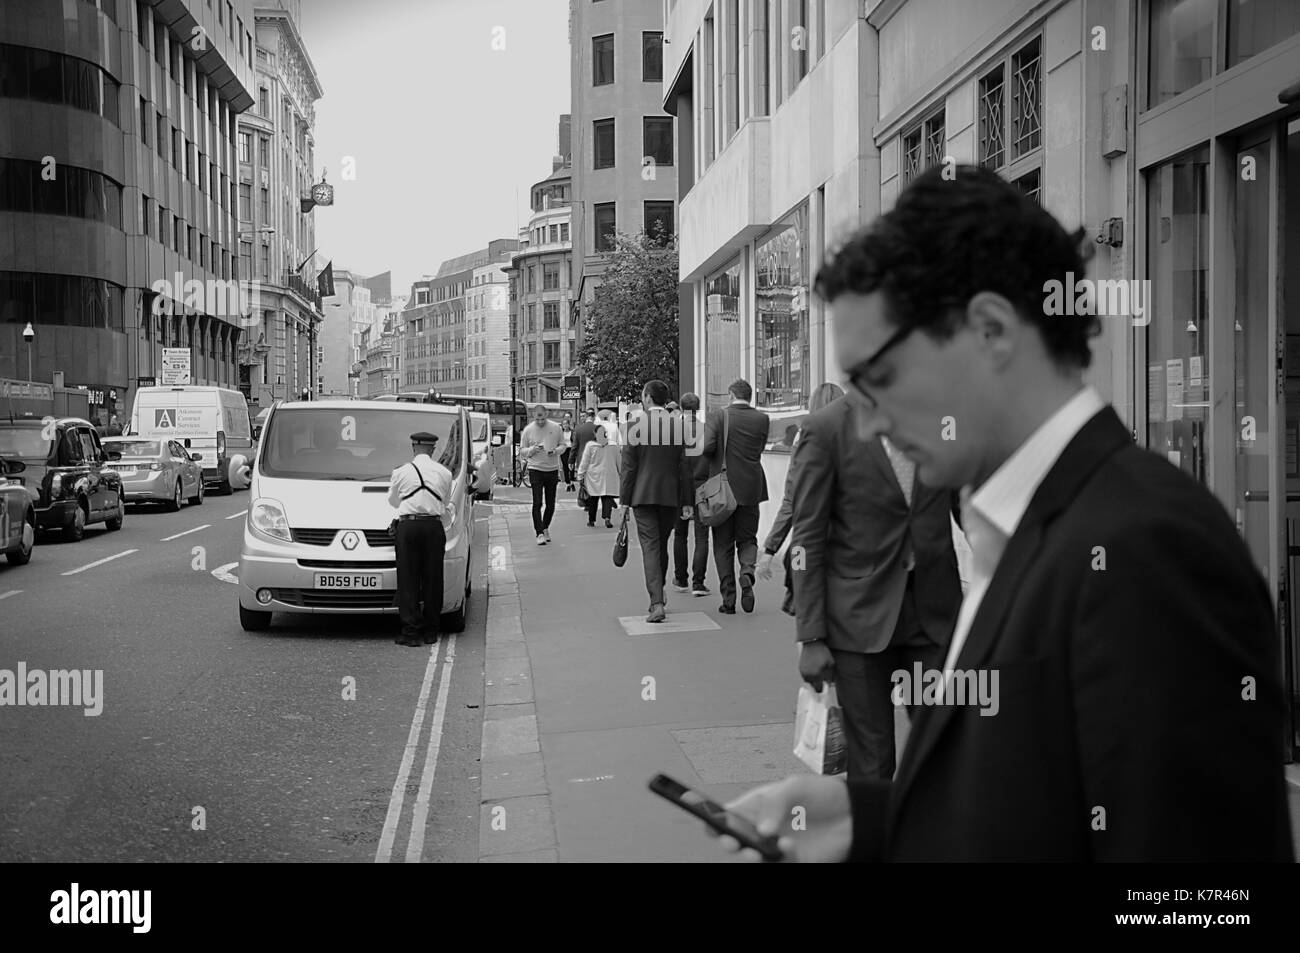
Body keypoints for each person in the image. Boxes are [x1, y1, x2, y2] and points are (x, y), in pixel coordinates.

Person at [716, 165, 1293, 862]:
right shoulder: (1019, 526)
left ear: (991, 329)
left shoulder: (1146, 551)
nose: (864, 423)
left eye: (880, 378)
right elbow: (1029, 803)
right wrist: (868, 818)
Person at [788, 392, 962, 782]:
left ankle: (933, 842)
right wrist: (811, 636)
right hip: (858, 624)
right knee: (872, 763)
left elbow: (970, 506)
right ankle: (876, 842)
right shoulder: (827, 428)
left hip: (934, 615)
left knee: (947, 754)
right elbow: (807, 538)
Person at [756, 382, 845, 616]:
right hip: (849, 548)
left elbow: (790, 500)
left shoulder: (803, 441)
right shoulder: (858, 441)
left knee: (804, 611)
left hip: (806, 545)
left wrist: (769, 550)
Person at [621, 379, 694, 623]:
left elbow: (629, 467)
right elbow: (685, 466)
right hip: (670, 496)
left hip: (642, 495)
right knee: (661, 543)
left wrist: (624, 499)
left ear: (648, 397)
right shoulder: (677, 426)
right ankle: (659, 590)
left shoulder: (635, 425)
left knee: (650, 547)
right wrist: (687, 500)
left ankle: (656, 602)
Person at [696, 379, 769, 615]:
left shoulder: (719, 416)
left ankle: (729, 600)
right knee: (748, 538)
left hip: (724, 491)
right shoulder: (762, 418)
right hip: (752, 487)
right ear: (749, 396)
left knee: (722, 545)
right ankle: (747, 571)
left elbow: (707, 448)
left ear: (730, 395)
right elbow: (759, 448)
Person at [387, 431, 453, 648]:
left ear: (413, 447)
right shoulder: (444, 473)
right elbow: (446, 500)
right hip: (433, 526)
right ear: (433, 449)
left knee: (408, 579)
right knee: (433, 578)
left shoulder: (401, 472)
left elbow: (393, 501)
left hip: (409, 525)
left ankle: (410, 632)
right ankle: (431, 631)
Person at [671, 392, 710, 597]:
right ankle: (698, 582)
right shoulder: (707, 429)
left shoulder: (674, 430)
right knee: (702, 535)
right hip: (703, 485)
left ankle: (681, 578)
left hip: (680, 486)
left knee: (680, 533)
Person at [519, 403, 567, 545]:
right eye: (537, 419)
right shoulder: (528, 430)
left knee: (551, 504)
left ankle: (545, 527)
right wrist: (532, 450)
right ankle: (539, 532)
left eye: (542, 419)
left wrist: (555, 451)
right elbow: (522, 450)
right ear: (534, 416)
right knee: (537, 502)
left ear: (546, 414)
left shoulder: (555, 428)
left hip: (552, 469)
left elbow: (563, 445)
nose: (540, 422)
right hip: (535, 469)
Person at [577, 423, 620, 527]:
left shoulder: (590, 446)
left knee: (593, 499)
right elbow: (619, 461)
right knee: (607, 498)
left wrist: (580, 474)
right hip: (609, 474)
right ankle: (607, 518)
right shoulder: (614, 446)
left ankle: (591, 520)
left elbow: (585, 461)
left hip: (593, 476)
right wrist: (622, 473)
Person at [572, 409, 599, 475]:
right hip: (595, 460)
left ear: (586, 417)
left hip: (581, 459)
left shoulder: (578, 429)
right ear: (594, 417)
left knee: (582, 481)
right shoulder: (598, 429)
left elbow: (574, 446)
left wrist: (571, 460)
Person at [560, 412, 576, 491]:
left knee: (571, 467)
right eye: (563, 424)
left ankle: (572, 482)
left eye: (566, 424)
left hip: (570, 450)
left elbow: (574, 442)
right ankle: (567, 484)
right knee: (565, 467)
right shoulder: (561, 433)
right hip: (563, 450)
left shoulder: (572, 432)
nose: (565, 426)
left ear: (569, 425)